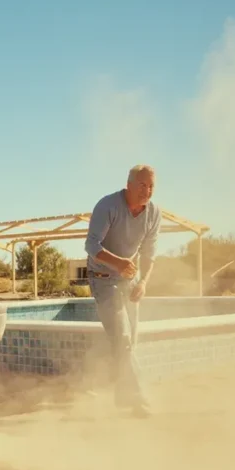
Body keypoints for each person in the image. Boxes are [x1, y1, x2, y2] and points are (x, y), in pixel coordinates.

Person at [83, 164, 162, 416]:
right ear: (129, 184)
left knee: (129, 342)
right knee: (123, 339)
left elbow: (149, 254)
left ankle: (121, 395)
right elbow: (91, 245)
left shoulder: (154, 213)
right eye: (142, 185)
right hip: (103, 278)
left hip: (131, 280)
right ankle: (139, 400)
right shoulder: (108, 206)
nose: (147, 191)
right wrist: (119, 263)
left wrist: (143, 282)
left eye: (151, 187)